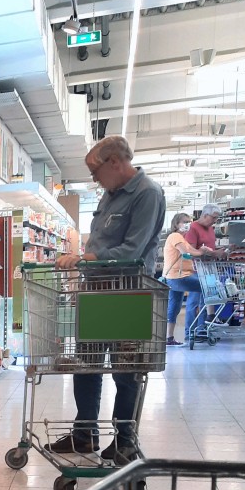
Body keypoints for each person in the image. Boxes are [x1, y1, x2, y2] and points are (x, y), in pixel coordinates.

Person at [50, 135, 165, 464]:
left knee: (125, 372)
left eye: (95, 171)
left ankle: (124, 440)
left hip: (128, 293)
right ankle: (84, 434)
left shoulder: (147, 194)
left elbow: (133, 250)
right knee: (86, 367)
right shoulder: (110, 196)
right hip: (97, 292)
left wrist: (86, 258)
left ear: (115, 162)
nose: (94, 179)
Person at [184, 204, 225, 341]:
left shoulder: (211, 229)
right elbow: (190, 252)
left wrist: (220, 251)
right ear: (205, 215)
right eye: (214, 217)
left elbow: (209, 247)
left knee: (208, 300)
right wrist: (213, 253)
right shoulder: (193, 228)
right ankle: (190, 332)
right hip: (196, 269)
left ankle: (202, 330)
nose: (215, 221)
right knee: (194, 301)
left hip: (209, 269)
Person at [161, 212, 198, 345]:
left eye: (189, 222)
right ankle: (202, 325)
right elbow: (186, 253)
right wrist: (203, 252)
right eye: (184, 222)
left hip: (174, 276)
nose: (187, 224)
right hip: (179, 277)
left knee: (174, 306)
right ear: (176, 224)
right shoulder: (176, 236)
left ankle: (169, 338)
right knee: (206, 288)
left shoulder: (182, 238)